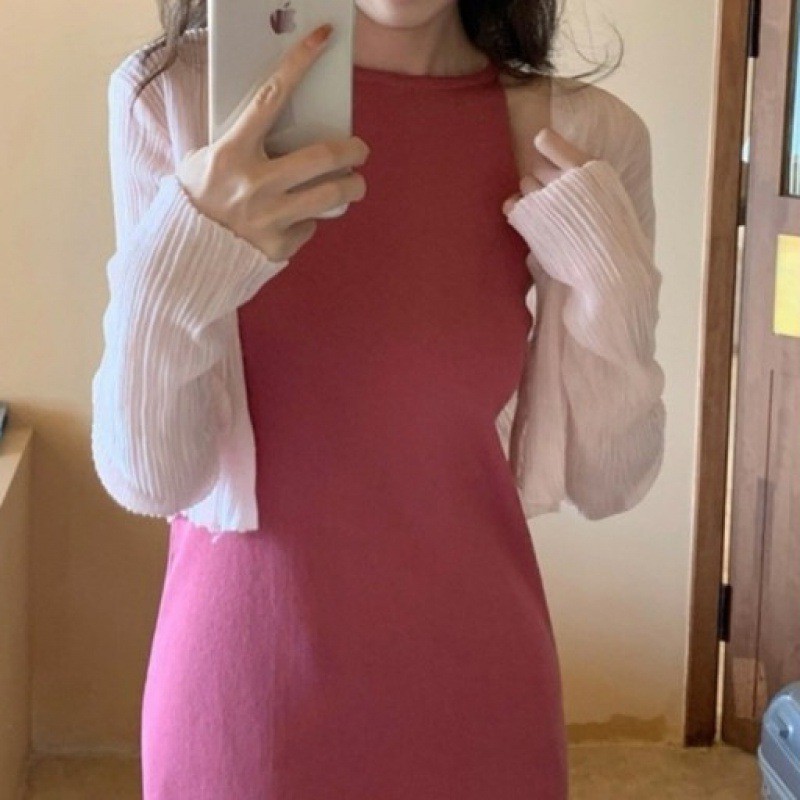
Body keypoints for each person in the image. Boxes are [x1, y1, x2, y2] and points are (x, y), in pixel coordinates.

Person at [91, 1, 666, 797]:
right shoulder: (180, 98)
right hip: (248, 710)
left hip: (485, 703)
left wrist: (616, 286)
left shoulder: (586, 136)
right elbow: (151, 477)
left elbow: (610, 480)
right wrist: (183, 255)